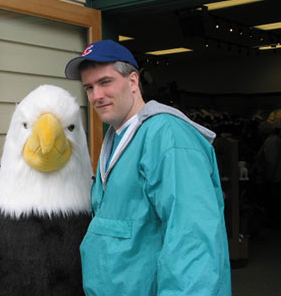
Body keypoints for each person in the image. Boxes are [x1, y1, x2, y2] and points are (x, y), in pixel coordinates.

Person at [64, 40, 232, 296]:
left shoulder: (168, 137)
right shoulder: (116, 136)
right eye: (89, 87)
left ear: (133, 82)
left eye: (105, 82)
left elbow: (192, 241)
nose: (96, 96)